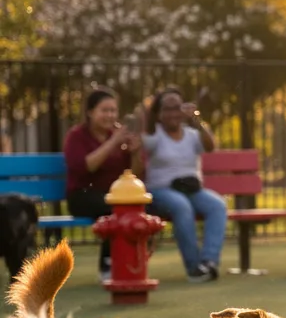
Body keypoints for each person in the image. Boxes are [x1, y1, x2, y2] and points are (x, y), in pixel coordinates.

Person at [138, 86, 228, 282]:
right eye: (167, 109)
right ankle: (194, 268)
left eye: (177, 108)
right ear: (159, 113)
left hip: (191, 190)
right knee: (181, 206)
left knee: (217, 205)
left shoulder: (192, 134)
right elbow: (142, 143)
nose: (173, 113)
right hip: (161, 191)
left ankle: (209, 262)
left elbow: (210, 146)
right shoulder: (154, 135)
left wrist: (196, 120)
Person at [62, 86, 144, 281]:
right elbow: (86, 167)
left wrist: (135, 152)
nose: (110, 115)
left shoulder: (117, 137)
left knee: (132, 209)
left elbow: (134, 173)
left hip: (111, 196)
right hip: (82, 196)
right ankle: (108, 266)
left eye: (113, 110)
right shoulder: (76, 136)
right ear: (90, 112)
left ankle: (129, 264)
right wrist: (114, 141)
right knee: (115, 210)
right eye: (104, 110)